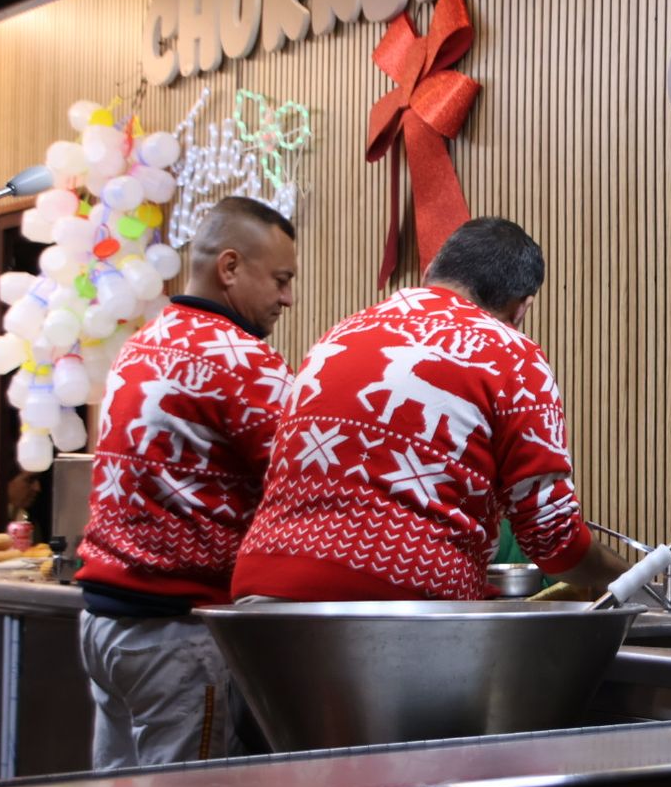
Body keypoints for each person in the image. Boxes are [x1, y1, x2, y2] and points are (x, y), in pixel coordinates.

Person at [232, 217, 626, 602]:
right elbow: (554, 541)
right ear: (522, 308)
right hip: (398, 603)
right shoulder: (513, 353)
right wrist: (626, 576)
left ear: (434, 271)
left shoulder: (342, 332)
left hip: (261, 597)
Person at [75, 196, 296, 769]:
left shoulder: (140, 344)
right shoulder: (247, 362)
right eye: (280, 279)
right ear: (229, 267)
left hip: (103, 625)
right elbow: (304, 482)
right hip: (174, 633)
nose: (286, 298)